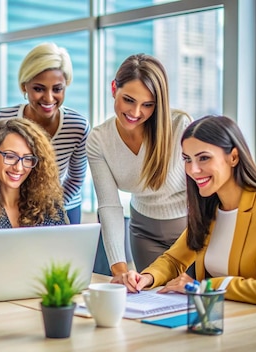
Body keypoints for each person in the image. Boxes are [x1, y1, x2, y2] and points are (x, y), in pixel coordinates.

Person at [115, 115, 256, 309]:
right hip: (224, 321)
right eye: (187, 159)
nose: (193, 170)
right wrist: (145, 278)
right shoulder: (209, 210)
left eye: (203, 158)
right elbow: (174, 260)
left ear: (233, 157)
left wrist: (206, 287)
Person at [86, 53, 192, 278]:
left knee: (194, 304)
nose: (135, 113)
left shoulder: (179, 126)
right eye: (129, 100)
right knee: (153, 302)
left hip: (190, 232)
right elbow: (110, 207)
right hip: (144, 233)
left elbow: (203, 189)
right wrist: (120, 270)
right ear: (114, 88)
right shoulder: (99, 140)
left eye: (148, 105)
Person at [0, 42, 89, 225]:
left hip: (62, 207)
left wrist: (48, 209)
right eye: (39, 88)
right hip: (14, 206)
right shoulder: (4, 119)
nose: (49, 98)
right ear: (24, 87)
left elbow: (75, 179)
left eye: (57, 89)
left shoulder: (78, 126)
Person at [0, 118, 68, 269]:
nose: (19, 167)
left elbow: (63, 258)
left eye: (28, 159)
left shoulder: (48, 205)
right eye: (10, 156)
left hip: (43, 290)